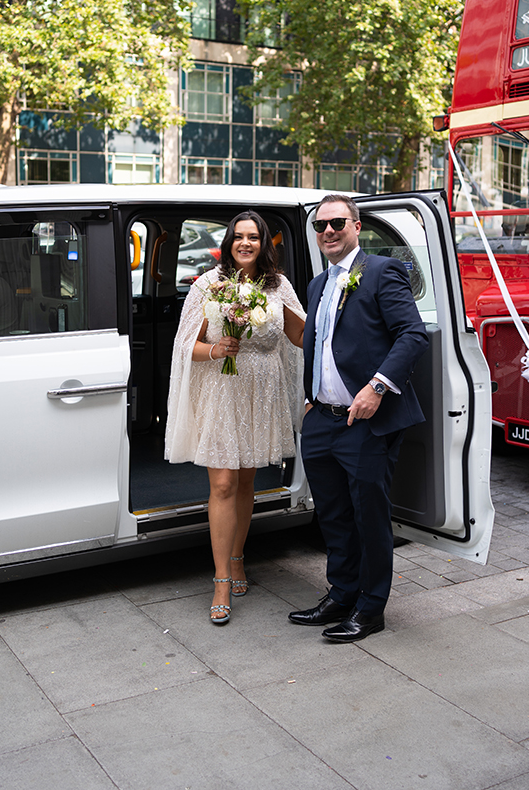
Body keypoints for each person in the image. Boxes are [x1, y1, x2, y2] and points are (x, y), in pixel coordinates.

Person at [289, 194, 429, 642]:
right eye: (320, 225)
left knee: (369, 517)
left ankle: (371, 609)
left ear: (356, 224)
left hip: (367, 420)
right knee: (332, 515)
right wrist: (312, 397)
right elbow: (322, 346)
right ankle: (342, 593)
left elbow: (413, 334)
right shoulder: (316, 285)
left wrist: (377, 387)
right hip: (322, 420)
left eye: (336, 223)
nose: (327, 231)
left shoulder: (382, 271)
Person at [165, 211, 306, 625]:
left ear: (265, 244)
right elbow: (183, 346)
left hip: (262, 388)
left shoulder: (279, 286)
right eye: (238, 237)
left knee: (247, 479)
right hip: (223, 388)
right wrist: (216, 350)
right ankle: (222, 579)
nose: (245, 244)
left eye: (254, 238)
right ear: (228, 243)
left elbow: (299, 336)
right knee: (223, 481)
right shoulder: (208, 285)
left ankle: (240, 557)